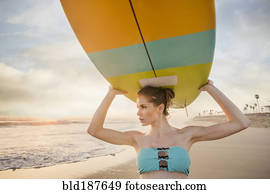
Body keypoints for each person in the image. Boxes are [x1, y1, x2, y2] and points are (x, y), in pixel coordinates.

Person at [87, 80, 250, 179]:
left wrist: (210, 88)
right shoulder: (137, 139)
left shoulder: (187, 135)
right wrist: (110, 94)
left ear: (160, 108)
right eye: (137, 107)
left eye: (143, 107)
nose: (138, 112)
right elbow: (94, 130)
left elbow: (240, 122)